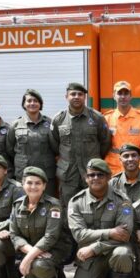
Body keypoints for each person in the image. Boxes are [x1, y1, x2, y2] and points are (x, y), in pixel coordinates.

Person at [68, 158, 134, 278]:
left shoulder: (122, 201)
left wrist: (94, 247)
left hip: (111, 251)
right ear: (86, 178)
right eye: (91, 175)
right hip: (91, 257)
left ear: (109, 177)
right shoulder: (76, 202)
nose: (95, 178)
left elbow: (125, 235)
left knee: (123, 254)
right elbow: (79, 235)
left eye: (100, 175)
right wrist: (110, 232)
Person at [10, 166, 71, 278]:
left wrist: (27, 259)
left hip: (55, 248)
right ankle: (52, 273)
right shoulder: (17, 205)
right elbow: (14, 234)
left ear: (44, 186)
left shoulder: (53, 205)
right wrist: (32, 253)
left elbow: (51, 237)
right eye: (29, 183)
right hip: (35, 251)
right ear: (23, 184)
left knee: (41, 265)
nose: (33, 186)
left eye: (38, 183)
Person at [51, 82, 111, 210]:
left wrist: (95, 159)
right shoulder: (58, 119)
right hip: (68, 174)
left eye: (80, 94)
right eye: (73, 94)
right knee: (68, 207)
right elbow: (54, 144)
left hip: (91, 172)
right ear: (66, 96)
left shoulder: (97, 118)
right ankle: (69, 231)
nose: (76, 97)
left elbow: (105, 141)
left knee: (94, 206)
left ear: (85, 97)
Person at [6, 89, 59, 196]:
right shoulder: (15, 125)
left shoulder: (50, 123)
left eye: (36, 101)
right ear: (24, 104)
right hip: (24, 174)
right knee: (24, 204)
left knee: (47, 204)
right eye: (29, 101)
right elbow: (10, 149)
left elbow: (56, 147)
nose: (32, 103)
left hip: (46, 174)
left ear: (40, 104)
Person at [104, 81, 140, 175]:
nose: (123, 97)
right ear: (114, 96)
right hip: (112, 172)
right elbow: (101, 147)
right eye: (119, 93)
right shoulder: (107, 118)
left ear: (131, 96)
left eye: (126, 93)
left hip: (136, 170)